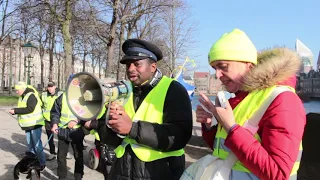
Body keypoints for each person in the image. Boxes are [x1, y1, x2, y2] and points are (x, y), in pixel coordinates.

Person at [197, 28, 305, 179]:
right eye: (215, 68)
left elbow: (278, 173)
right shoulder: (240, 98)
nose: (217, 75)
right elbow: (226, 152)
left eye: (223, 66)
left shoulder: (283, 99)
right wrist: (210, 125)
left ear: (249, 65)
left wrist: (231, 128)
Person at [85, 39, 193, 180]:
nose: (130, 69)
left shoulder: (174, 90)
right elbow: (109, 139)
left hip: (159, 172)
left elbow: (180, 136)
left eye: (137, 64)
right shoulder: (122, 90)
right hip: (122, 171)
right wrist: (110, 125)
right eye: (128, 64)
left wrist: (132, 129)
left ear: (153, 67)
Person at [9, 81, 46, 171]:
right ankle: (32, 160)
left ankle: (42, 163)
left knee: (37, 145)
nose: (16, 92)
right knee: (30, 144)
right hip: (28, 125)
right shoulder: (23, 96)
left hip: (35, 124)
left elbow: (30, 109)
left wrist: (16, 111)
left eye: (17, 90)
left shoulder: (31, 95)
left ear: (22, 89)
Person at [50, 91, 86, 180]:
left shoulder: (83, 97)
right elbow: (55, 112)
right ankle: (62, 177)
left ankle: (78, 177)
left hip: (76, 131)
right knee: (61, 156)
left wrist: (77, 120)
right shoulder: (62, 97)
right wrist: (54, 124)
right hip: (63, 131)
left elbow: (88, 113)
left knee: (78, 156)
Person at [41, 81, 63, 161]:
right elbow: (40, 105)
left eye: (51, 86)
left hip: (59, 120)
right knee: (50, 138)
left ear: (55, 86)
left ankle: (63, 152)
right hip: (48, 120)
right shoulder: (43, 95)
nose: (50, 88)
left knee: (61, 137)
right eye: (48, 86)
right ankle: (52, 153)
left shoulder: (60, 94)